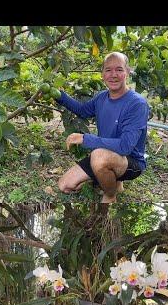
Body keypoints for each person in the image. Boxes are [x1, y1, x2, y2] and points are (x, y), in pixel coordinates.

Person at [56, 52, 149, 203]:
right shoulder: (101, 97)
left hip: (130, 161)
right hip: (105, 155)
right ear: (102, 74)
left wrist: (85, 139)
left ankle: (110, 195)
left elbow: (125, 147)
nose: (113, 75)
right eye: (108, 70)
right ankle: (112, 181)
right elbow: (82, 110)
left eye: (119, 70)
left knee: (98, 156)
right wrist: (58, 95)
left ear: (127, 72)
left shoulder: (136, 104)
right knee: (65, 186)